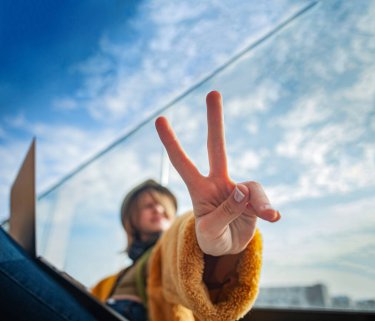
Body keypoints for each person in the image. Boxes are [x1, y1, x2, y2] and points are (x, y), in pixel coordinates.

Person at [91, 91, 281, 321]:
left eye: (164, 207)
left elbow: (180, 246)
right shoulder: (107, 282)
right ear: (131, 219)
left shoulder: (170, 243)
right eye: (149, 206)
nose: (159, 210)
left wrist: (214, 250)